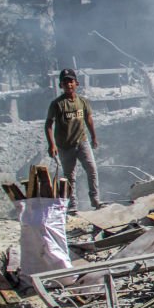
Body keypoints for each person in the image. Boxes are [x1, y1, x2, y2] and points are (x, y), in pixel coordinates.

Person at [45, 68, 101, 211]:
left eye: (71, 81)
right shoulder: (57, 104)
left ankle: (95, 200)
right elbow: (49, 124)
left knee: (92, 169)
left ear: (77, 83)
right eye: (65, 82)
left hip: (82, 142)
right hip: (65, 145)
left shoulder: (82, 102)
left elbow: (89, 119)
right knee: (70, 176)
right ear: (60, 86)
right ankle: (73, 206)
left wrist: (94, 136)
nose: (68, 85)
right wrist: (52, 145)